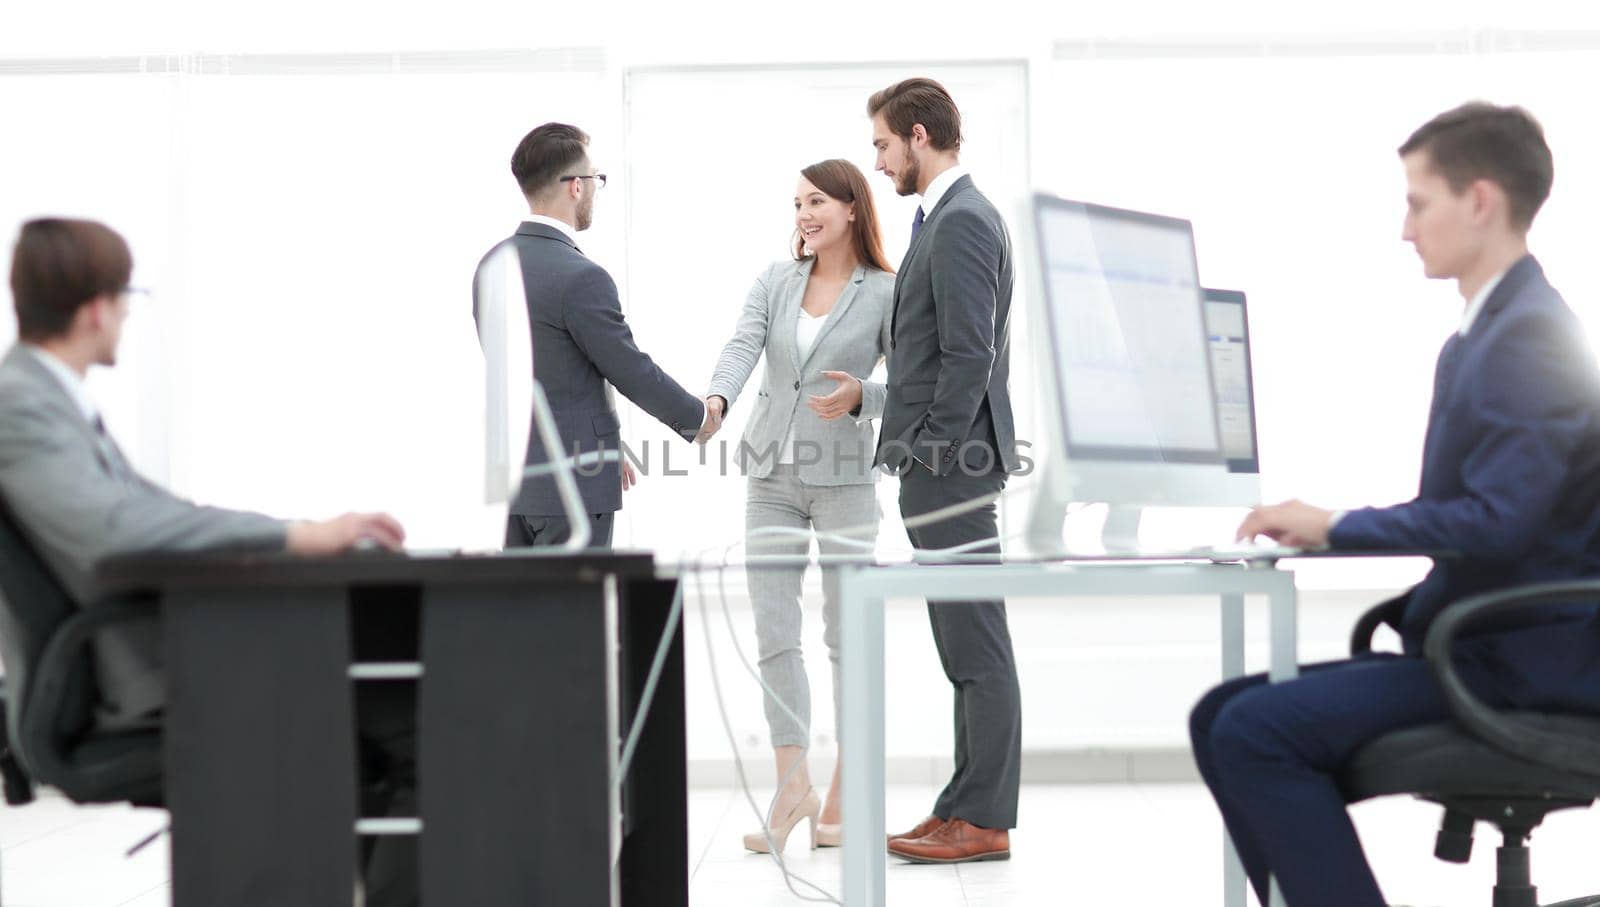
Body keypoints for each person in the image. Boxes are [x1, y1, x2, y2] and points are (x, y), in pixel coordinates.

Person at [1190, 102, 1600, 907]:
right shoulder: (1488, 332)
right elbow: (1480, 514)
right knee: (1221, 712)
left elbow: (1496, 522)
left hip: (1522, 664)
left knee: (1251, 731)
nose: (1405, 228)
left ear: (1479, 201)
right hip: (1487, 641)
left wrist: (1336, 524)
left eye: (1418, 202)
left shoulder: (1528, 335)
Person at [0, 217, 417, 905]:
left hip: (158, 652)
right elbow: (116, 528)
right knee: (401, 716)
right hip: (127, 680)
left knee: (392, 706)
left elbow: (161, 511)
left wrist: (298, 531)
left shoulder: (50, 400)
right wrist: (297, 538)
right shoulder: (22, 404)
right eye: (127, 296)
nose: (129, 315)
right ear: (99, 307)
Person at [704, 159, 895, 853]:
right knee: (776, 631)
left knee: (849, 636)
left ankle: (846, 783)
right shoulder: (775, 281)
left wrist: (863, 397)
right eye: (796, 204)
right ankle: (793, 786)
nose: (804, 214)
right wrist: (718, 399)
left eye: (816, 201)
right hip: (771, 473)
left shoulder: (886, 291)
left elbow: (909, 383)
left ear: (851, 207)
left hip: (846, 475)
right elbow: (741, 346)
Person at [867, 77, 1023, 864]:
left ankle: (985, 818)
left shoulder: (963, 220)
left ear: (920, 136)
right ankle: (963, 804)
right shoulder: (949, 217)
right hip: (944, 465)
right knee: (961, 644)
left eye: (885, 146)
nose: (882, 161)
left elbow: (971, 354)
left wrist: (932, 450)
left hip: (953, 467)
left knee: (976, 645)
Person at [473, 122, 717, 549]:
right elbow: (629, 368)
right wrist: (696, 418)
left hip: (517, 482)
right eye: (596, 179)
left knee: (523, 612)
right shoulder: (581, 277)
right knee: (572, 614)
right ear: (575, 187)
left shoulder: (491, 265)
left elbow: (538, 374)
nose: (596, 190)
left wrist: (603, 443)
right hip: (572, 488)